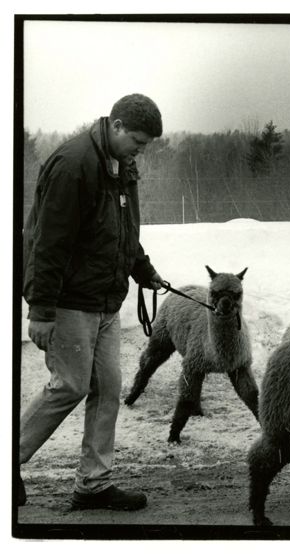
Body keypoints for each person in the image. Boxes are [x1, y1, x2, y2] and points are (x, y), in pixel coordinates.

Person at [19, 94, 165, 511]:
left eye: (146, 143)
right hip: (68, 302)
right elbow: (47, 242)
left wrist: (144, 270)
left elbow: (121, 231)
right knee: (70, 386)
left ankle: (94, 483)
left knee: (108, 388)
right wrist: (41, 309)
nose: (142, 149)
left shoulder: (122, 166)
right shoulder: (74, 164)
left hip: (106, 302)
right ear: (116, 126)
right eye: (137, 140)